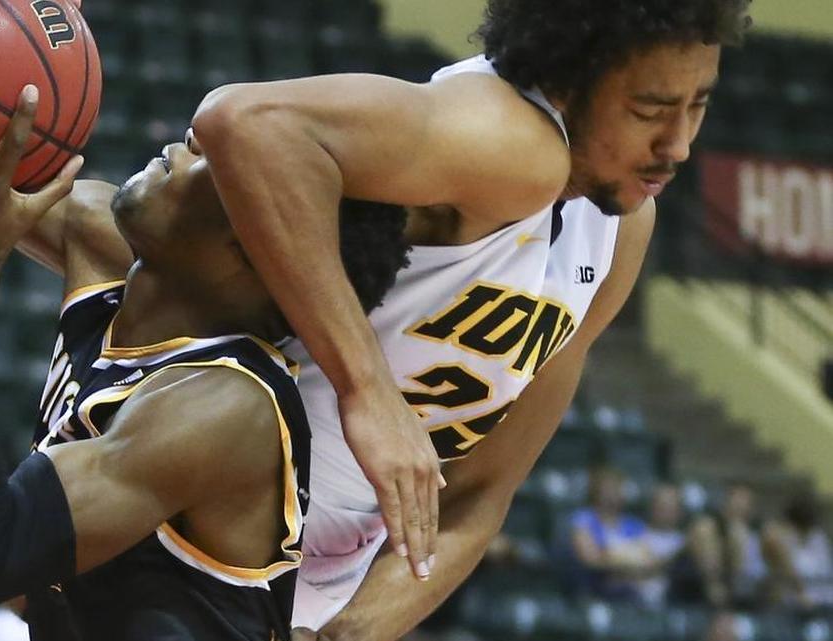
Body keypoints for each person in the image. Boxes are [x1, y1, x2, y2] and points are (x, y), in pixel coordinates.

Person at [183, 0, 751, 636]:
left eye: (697, 105)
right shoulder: (505, 134)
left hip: (310, 584)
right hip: (193, 530)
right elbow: (245, 122)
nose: (678, 145)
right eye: (649, 110)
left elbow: (479, 495)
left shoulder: (620, 229)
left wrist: (347, 632)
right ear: (567, 81)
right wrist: (366, 388)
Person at [0, 67, 410, 641]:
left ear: (263, 246)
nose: (193, 137)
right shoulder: (98, 241)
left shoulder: (225, 409)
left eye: (219, 160)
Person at [567, 466, 652, 601]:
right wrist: (627, 558)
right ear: (596, 491)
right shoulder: (584, 519)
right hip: (598, 584)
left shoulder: (635, 524)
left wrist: (609, 554)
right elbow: (590, 559)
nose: (612, 494)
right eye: (607, 489)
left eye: (616, 489)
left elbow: (647, 562)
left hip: (634, 584)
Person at [686, 482, 769, 609]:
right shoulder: (707, 527)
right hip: (711, 588)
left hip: (752, 590)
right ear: (725, 504)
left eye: (747, 503)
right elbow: (711, 568)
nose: (741, 507)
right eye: (736, 502)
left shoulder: (759, 534)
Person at [763, 491, 833, 611]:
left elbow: (825, 572)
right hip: (792, 603)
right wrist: (801, 592)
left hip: (822, 601)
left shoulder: (818, 538)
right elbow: (788, 572)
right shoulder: (778, 536)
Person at [638, 483, 688, 608]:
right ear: (652, 507)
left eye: (672, 506)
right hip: (635, 598)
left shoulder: (686, 542)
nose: (666, 511)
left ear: (680, 511)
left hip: (676, 600)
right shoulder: (637, 534)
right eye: (662, 506)